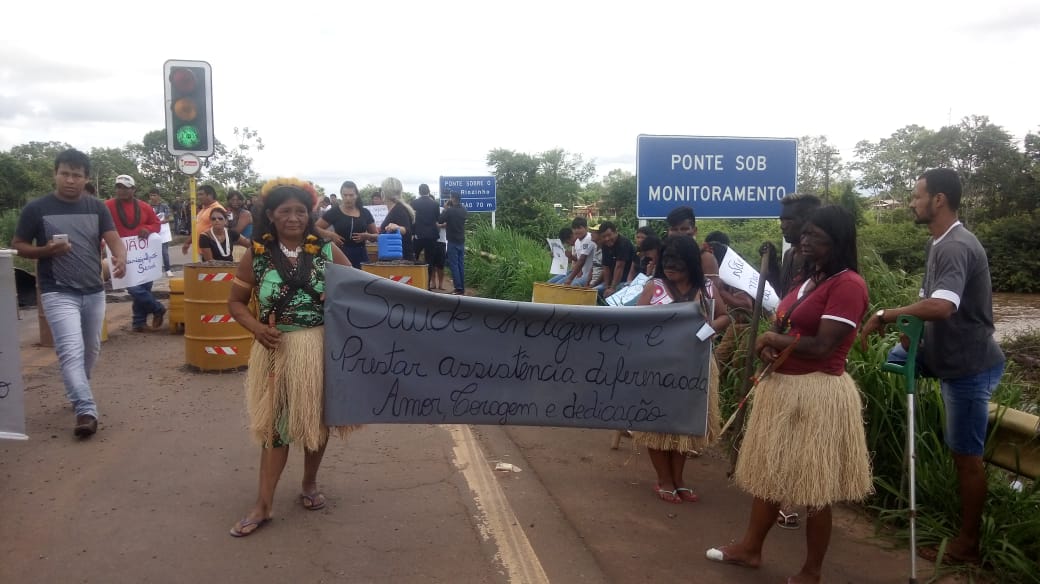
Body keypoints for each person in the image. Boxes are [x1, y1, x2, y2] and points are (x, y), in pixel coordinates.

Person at [706, 205, 872, 584]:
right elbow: (793, 327)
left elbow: (823, 345)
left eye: (815, 235)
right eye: (804, 234)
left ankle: (811, 572)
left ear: (838, 240)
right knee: (769, 474)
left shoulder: (848, 285)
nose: (804, 240)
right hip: (785, 387)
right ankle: (750, 549)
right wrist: (771, 348)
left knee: (816, 489)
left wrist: (770, 338)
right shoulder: (810, 279)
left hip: (817, 393)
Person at [859, 168, 1004, 565]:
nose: (911, 202)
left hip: (968, 367)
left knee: (964, 455)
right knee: (893, 358)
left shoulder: (956, 246)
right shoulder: (937, 243)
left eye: (917, 195)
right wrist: (909, 335)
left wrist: (885, 314)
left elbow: (943, 306)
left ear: (938, 199)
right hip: (939, 355)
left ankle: (967, 544)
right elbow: (927, 302)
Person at [226, 177, 354, 538]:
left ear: (310, 214)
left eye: (301, 211)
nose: (294, 218)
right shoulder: (258, 252)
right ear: (271, 215)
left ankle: (309, 484)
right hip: (276, 348)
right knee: (274, 429)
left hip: (318, 348)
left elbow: (359, 288)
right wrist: (256, 328)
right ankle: (263, 504)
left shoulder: (326, 250)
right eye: (286, 211)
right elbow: (235, 303)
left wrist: (338, 299)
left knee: (316, 422)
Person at [11, 149, 126, 437]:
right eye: (65, 173)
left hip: (93, 290)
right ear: (55, 174)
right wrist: (45, 251)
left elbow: (114, 240)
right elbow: (19, 244)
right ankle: (85, 410)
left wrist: (120, 257)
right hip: (56, 291)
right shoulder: (36, 209)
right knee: (70, 353)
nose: (70, 180)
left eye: (77, 175)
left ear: (86, 178)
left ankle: (78, 388)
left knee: (91, 349)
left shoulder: (96, 207)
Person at [633, 236, 727, 502]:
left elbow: (724, 316)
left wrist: (704, 331)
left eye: (678, 261)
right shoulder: (654, 287)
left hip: (694, 368)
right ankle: (664, 479)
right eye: (667, 260)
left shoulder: (707, 288)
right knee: (656, 423)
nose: (671, 266)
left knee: (684, 424)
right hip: (658, 367)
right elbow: (636, 323)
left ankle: (679, 480)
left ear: (691, 263)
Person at [105, 175, 166, 333]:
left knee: (145, 286)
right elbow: (101, 226)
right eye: (118, 187)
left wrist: (148, 229)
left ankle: (138, 322)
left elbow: (156, 224)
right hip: (121, 253)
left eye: (125, 187)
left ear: (133, 189)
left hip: (143, 253)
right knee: (133, 287)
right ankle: (158, 308)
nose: (121, 190)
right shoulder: (107, 206)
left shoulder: (144, 206)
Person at [316, 180, 378, 268]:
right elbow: (314, 228)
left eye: (351, 195)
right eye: (345, 195)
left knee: (362, 280)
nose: (348, 198)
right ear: (341, 195)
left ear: (356, 195)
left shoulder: (365, 212)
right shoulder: (335, 212)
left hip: (361, 255)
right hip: (340, 254)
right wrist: (331, 235)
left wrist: (367, 236)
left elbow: (376, 236)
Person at [182, 184, 226, 256]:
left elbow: (222, 231)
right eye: (198, 195)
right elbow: (197, 228)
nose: (199, 197)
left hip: (213, 252)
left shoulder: (218, 209)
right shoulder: (203, 209)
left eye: (201, 194)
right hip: (203, 251)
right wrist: (187, 242)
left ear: (210, 195)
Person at [411, 183, 441, 289]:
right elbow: (438, 219)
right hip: (432, 236)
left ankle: (414, 283)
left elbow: (412, 219)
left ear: (419, 192)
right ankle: (426, 285)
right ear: (429, 191)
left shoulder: (414, 203)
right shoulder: (435, 204)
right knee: (430, 260)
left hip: (418, 235)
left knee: (413, 258)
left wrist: (413, 233)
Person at [548, 217, 594, 286]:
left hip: (591, 273)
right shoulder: (577, 242)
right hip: (581, 272)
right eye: (575, 228)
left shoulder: (589, 238)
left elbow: (581, 260)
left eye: (579, 228)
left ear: (586, 228)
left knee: (569, 285)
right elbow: (579, 260)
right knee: (551, 284)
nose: (577, 231)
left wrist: (570, 279)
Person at [596, 222, 636, 298]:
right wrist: (607, 286)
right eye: (604, 236)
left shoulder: (623, 243)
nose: (607, 239)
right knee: (594, 292)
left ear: (615, 232)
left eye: (609, 235)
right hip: (612, 282)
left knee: (612, 295)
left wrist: (612, 288)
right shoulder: (605, 245)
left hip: (627, 281)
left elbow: (619, 267)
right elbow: (606, 267)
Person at [379, 177, 415, 260]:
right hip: (398, 258)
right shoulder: (398, 208)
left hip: (399, 261)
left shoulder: (398, 210)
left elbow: (406, 230)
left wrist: (397, 227)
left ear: (384, 193)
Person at [438, 191, 468, 295]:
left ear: (453, 198)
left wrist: (445, 208)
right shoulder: (464, 210)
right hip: (461, 241)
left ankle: (458, 288)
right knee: (460, 265)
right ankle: (462, 288)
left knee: (454, 265)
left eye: (451, 198)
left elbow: (440, 220)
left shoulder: (450, 211)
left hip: (452, 241)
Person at [148, 187, 174, 276]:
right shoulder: (148, 207)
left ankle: (168, 270)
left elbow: (169, 218)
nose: (152, 197)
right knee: (153, 252)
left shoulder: (164, 206)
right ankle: (154, 271)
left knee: (164, 252)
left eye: (154, 195)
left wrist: (160, 222)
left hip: (163, 232)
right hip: (152, 232)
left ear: (158, 196)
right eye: (151, 195)